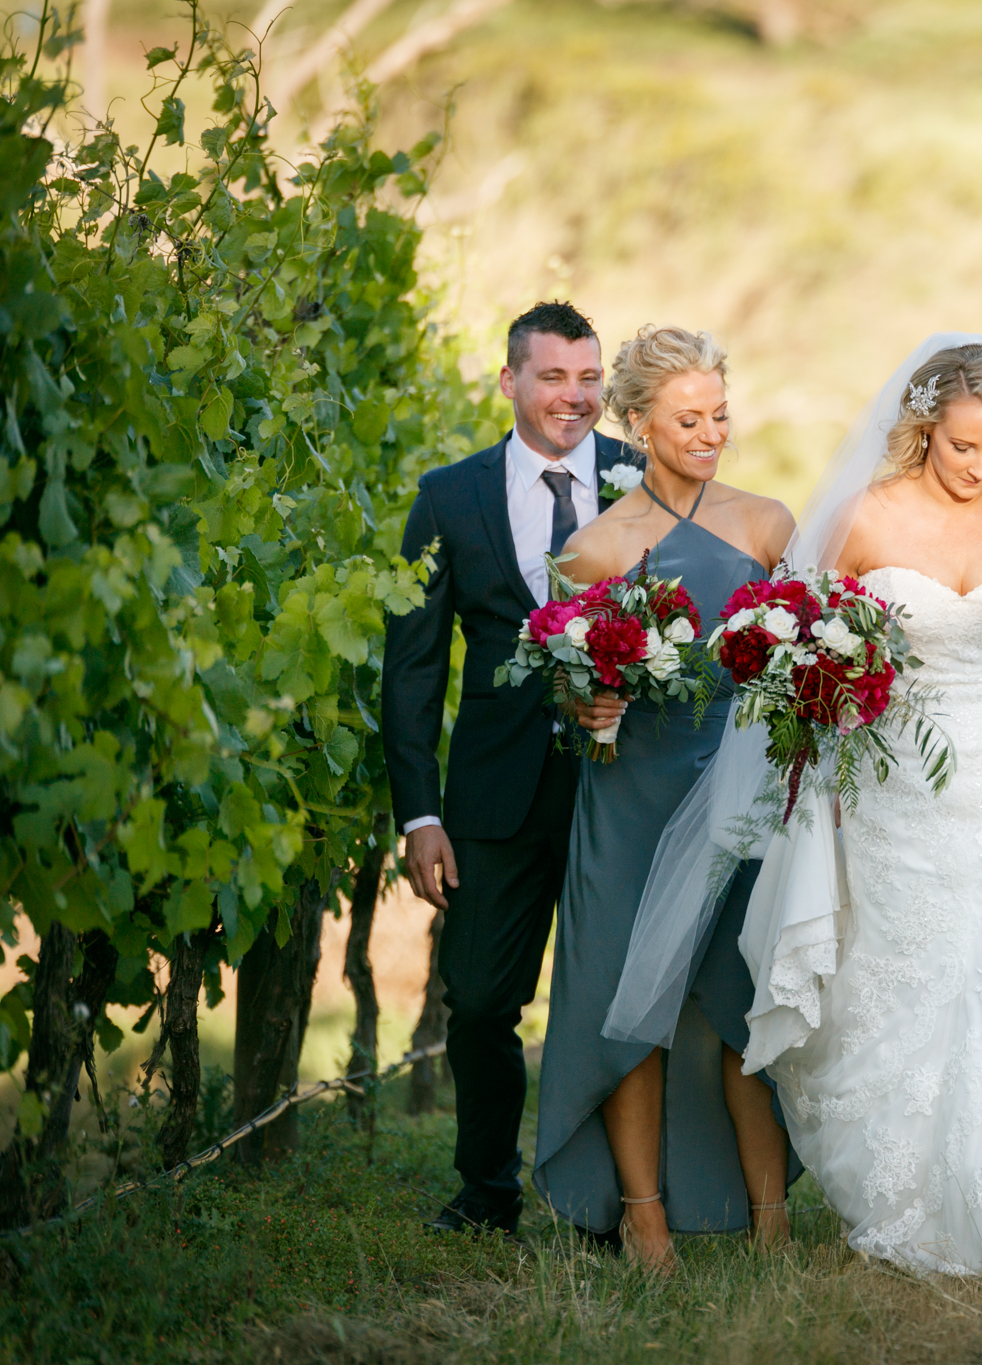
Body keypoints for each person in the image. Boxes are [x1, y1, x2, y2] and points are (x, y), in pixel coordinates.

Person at [603, 335, 982, 1304]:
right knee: (914, 980)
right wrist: (818, 770)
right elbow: (789, 650)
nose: (975, 468)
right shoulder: (862, 518)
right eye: (959, 447)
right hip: (897, 789)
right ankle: (924, 1196)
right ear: (922, 433)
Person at [531, 326, 797, 1272]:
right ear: (638, 423)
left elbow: (806, 662)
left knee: (745, 1004)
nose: (711, 432)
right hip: (634, 800)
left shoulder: (769, 525)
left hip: (744, 798)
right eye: (689, 418)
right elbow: (568, 699)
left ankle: (771, 1224)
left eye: (721, 414)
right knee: (629, 1008)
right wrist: (589, 698)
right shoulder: (597, 548)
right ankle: (644, 1220)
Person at [381, 302, 630, 1237]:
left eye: (590, 377)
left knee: (613, 996)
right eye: (555, 376)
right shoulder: (450, 496)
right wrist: (419, 816)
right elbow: (409, 668)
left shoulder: (642, 480)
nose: (575, 396)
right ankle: (486, 1188)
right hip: (494, 791)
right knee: (481, 998)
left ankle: (611, 1201)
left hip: (621, 781)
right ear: (511, 382)